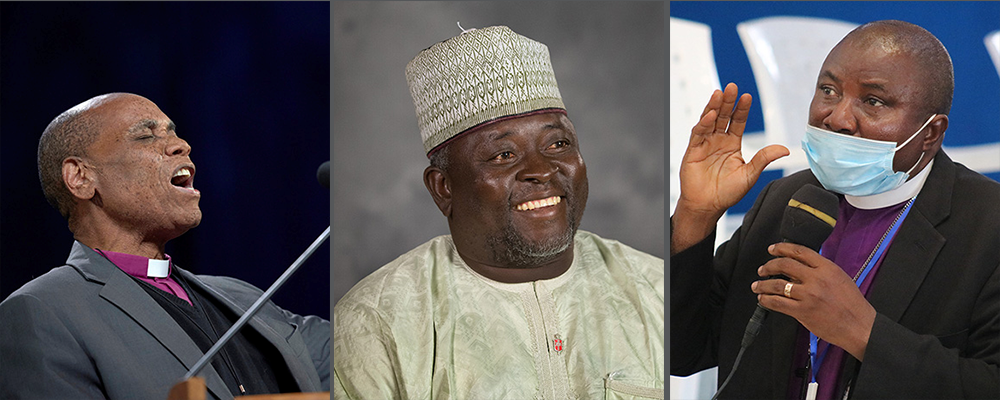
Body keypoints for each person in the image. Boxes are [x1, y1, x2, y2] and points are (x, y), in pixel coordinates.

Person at [671, 20, 999, 399]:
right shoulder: (786, 199)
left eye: (873, 101)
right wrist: (695, 215)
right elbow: (682, 351)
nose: (838, 118)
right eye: (829, 90)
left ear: (931, 132)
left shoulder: (988, 226)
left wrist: (864, 333)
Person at [333, 26, 664, 399]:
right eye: (504, 155)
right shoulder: (376, 321)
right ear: (443, 188)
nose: (541, 170)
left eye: (558, 143)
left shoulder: (655, 288)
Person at [0, 93, 330, 399]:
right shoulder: (42, 310)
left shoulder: (242, 296)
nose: (181, 145)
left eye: (174, 133)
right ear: (81, 177)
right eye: (146, 136)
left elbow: (362, 343)